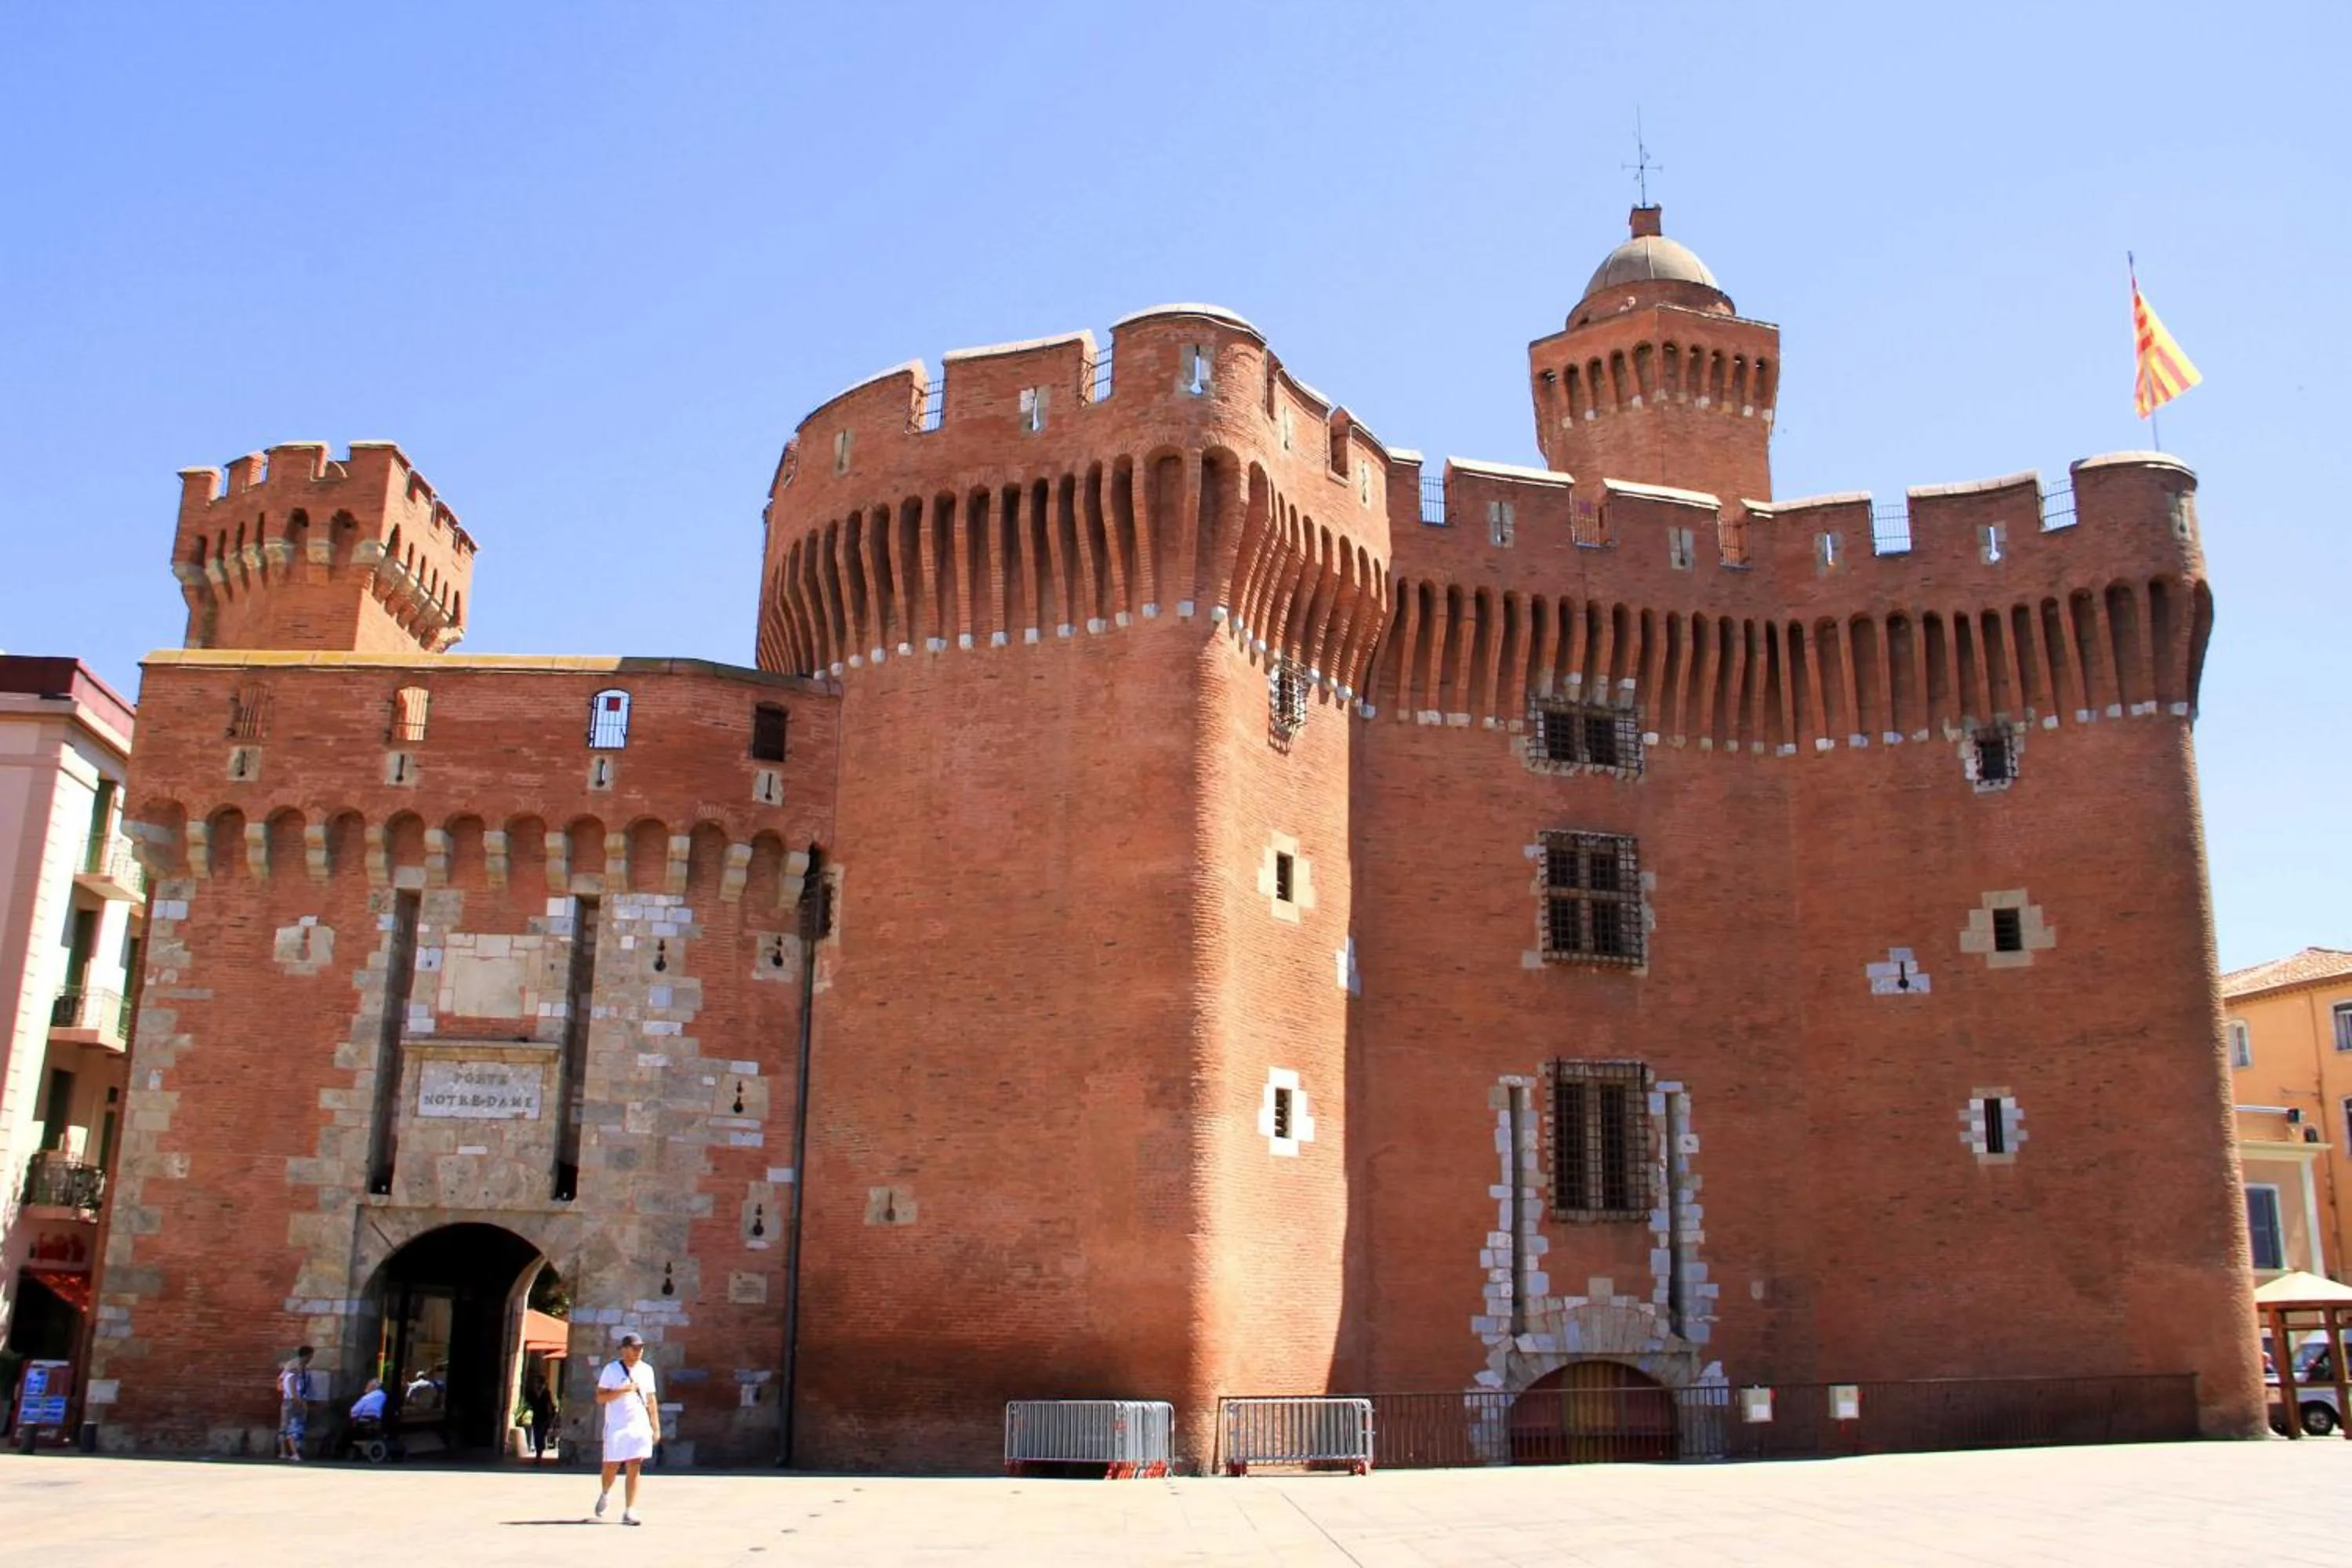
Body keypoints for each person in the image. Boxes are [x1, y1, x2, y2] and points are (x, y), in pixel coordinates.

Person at [592, 1333, 659, 1525]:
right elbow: (600, 1398)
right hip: (617, 1424)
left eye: (641, 1348)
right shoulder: (611, 1370)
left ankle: (630, 1510)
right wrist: (622, 1390)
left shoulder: (647, 1370)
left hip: (639, 1423)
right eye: (634, 1348)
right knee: (611, 1465)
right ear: (624, 1349)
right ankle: (605, 1492)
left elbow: (651, 1399)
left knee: (635, 1464)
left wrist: (655, 1427)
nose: (638, 1351)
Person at [276, 1345, 315, 1461]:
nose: (312, 1358)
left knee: (296, 1425)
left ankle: (294, 1451)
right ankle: (284, 1452)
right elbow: (286, 1382)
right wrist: (292, 1395)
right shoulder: (293, 1367)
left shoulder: (304, 1368)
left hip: (298, 1398)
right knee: (286, 1425)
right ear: (307, 1355)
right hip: (291, 1399)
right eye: (311, 1355)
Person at [524, 1371, 556, 1461]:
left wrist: (550, 1418)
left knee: (541, 1435)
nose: (535, 1384)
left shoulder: (546, 1393)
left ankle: (539, 1453)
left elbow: (549, 1405)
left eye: (537, 1382)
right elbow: (530, 1402)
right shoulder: (532, 1393)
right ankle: (539, 1452)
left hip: (544, 1417)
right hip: (536, 1416)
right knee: (537, 1434)